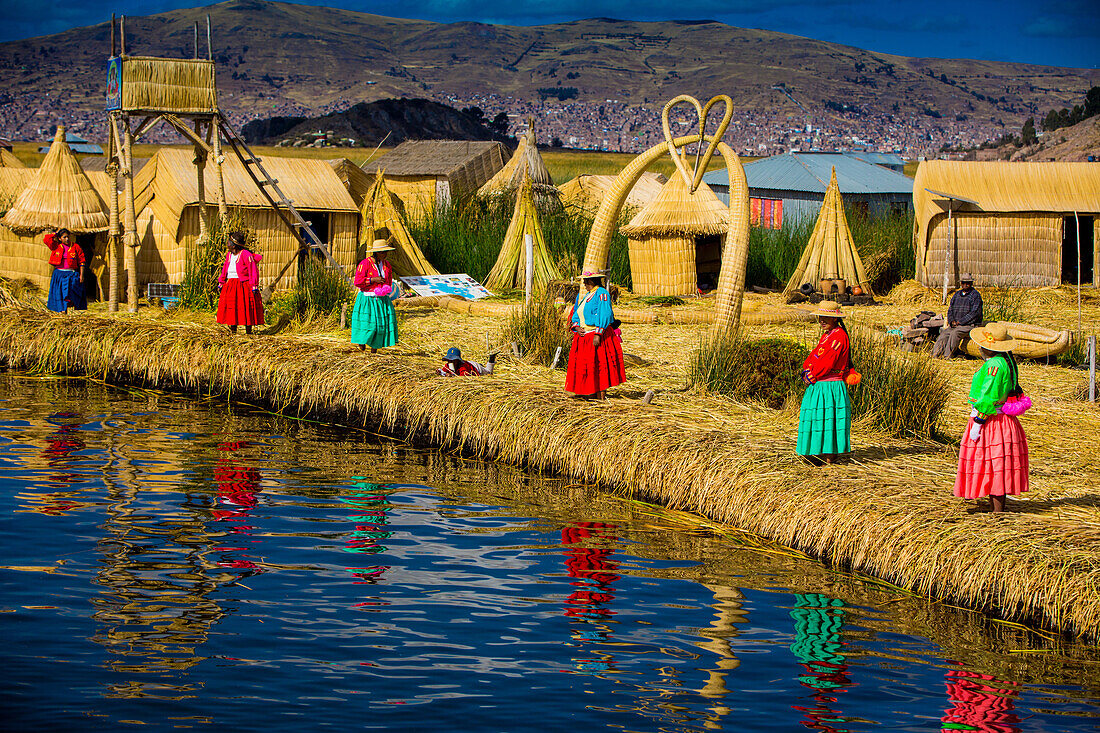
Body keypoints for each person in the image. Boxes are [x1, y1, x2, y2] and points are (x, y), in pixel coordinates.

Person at [954, 323, 1029, 513]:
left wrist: (979, 421)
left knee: (993, 463)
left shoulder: (994, 366)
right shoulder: (1006, 361)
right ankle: (995, 508)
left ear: (988, 346)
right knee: (997, 463)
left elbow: (988, 396)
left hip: (992, 421)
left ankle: (997, 513)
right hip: (1003, 420)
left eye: (981, 344)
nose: (979, 347)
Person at [797, 301, 853, 464]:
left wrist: (812, 374)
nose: (822, 320)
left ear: (835, 319)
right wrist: (807, 368)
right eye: (821, 317)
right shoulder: (827, 335)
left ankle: (828, 458)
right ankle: (814, 454)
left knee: (828, 419)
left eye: (826, 317)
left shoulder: (839, 336)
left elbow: (827, 361)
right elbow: (815, 355)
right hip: (820, 385)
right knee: (817, 418)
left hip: (829, 386)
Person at [565, 270, 625, 400]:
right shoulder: (587, 295)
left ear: (593, 281)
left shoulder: (602, 293)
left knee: (598, 365)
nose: (584, 283)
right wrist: (576, 326)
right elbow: (577, 313)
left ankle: (600, 395)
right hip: (584, 336)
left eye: (586, 280)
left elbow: (605, 313)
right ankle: (589, 392)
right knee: (586, 366)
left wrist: (598, 334)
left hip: (595, 335)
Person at [351, 239, 399, 353]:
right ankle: (362, 342)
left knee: (380, 325)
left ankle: (374, 350)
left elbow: (388, 280)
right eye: (382, 252)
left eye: (386, 252)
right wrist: (373, 279)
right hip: (367, 299)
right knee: (368, 325)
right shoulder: (365, 263)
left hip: (382, 299)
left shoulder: (387, 265)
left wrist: (386, 289)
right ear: (376, 252)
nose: (385, 254)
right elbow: (357, 281)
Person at [216, 231, 264, 334]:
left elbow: (253, 270)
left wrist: (254, 285)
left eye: (229, 242)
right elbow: (225, 269)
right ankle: (233, 330)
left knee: (246, 307)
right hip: (231, 284)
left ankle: (248, 332)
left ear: (234, 245)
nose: (227, 244)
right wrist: (221, 282)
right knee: (232, 308)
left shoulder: (245, 254)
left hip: (243, 285)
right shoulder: (229, 255)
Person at [931, 273, 983, 359]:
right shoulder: (956, 295)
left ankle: (947, 356)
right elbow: (950, 310)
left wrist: (960, 322)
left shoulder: (975, 295)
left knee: (955, 334)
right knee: (944, 334)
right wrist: (952, 321)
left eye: (968, 283)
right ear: (961, 283)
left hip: (969, 325)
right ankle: (935, 355)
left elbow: (974, 313)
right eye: (964, 283)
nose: (966, 285)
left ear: (971, 284)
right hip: (955, 325)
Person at [44, 228, 87, 313]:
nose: (66, 239)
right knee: (60, 293)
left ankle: (68, 310)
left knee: (69, 293)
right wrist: (55, 234)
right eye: (64, 237)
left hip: (71, 274)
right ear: (60, 238)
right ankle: (62, 311)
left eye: (67, 237)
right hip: (59, 274)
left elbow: (82, 261)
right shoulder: (56, 246)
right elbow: (46, 239)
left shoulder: (75, 247)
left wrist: (82, 275)